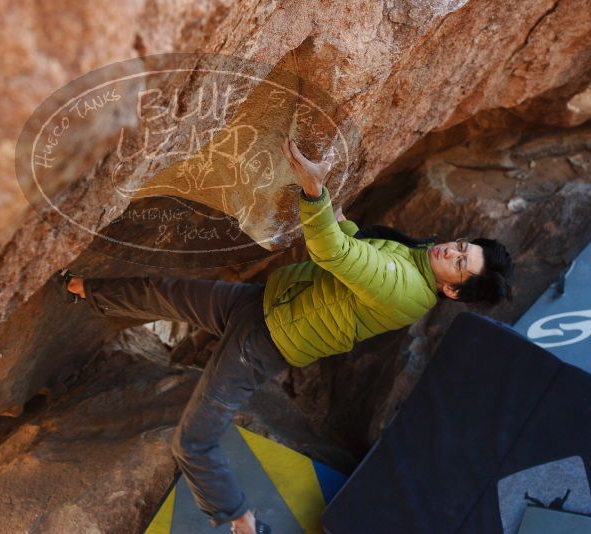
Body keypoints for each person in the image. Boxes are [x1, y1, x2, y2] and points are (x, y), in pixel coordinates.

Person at [58, 138, 514, 533]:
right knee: (168, 293)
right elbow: (359, 252)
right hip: (265, 305)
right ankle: (86, 290)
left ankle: (240, 520)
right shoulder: (415, 259)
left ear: (452, 290)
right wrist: (343, 221)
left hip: (265, 343)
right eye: (461, 247)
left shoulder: (406, 287)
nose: (450, 250)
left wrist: (313, 191)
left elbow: (333, 253)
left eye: (459, 262)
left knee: (192, 442)